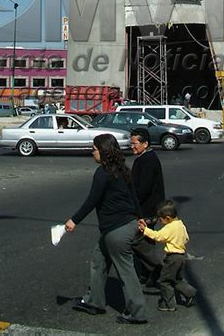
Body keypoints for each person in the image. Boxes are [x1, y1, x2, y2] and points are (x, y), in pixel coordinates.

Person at [65, 133, 148, 325]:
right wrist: (140, 217)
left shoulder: (103, 173)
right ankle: (94, 301)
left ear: (103, 151)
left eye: (94, 149)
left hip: (116, 229)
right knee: (99, 260)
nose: (92, 153)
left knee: (126, 271)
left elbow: (92, 200)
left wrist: (74, 220)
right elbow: (133, 195)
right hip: (125, 225)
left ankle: (137, 312)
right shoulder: (122, 169)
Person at [138, 201, 197, 312]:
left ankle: (168, 304)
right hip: (181, 256)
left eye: (161, 219)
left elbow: (158, 236)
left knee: (164, 281)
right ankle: (190, 293)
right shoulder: (180, 224)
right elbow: (186, 238)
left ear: (168, 218)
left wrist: (145, 230)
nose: (160, 222)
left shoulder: (169, 227)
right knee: (176, 279)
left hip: (172, 258)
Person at [130, 128, 166, 285]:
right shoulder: (145, 158)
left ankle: (158, 270)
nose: (132, 146)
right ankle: (149, 274)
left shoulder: (148, 160)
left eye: (134, 143)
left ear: (145, 144)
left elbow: (143, 189)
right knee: (147, 242)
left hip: (147, 210)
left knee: (138, 242)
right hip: (147, 209)